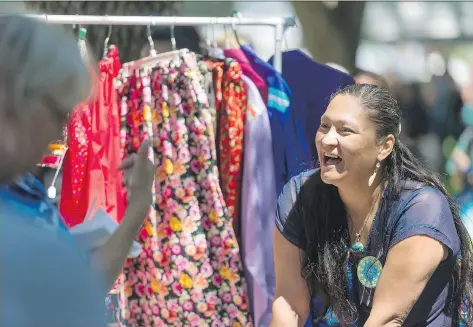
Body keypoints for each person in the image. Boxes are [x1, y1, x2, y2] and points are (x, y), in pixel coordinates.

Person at [273, 84, 473, 326]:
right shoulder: (300, 196)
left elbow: (386, 319)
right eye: (324, 126)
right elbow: (289, 302)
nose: (327, 139)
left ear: (384, 147)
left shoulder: (422, 209)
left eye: (345, 131)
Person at [0, 11, 154, 318]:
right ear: (16, 99)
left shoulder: (23, 185)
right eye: (59, 112)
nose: (59, 131)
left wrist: (137, 207)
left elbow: (79, 287)